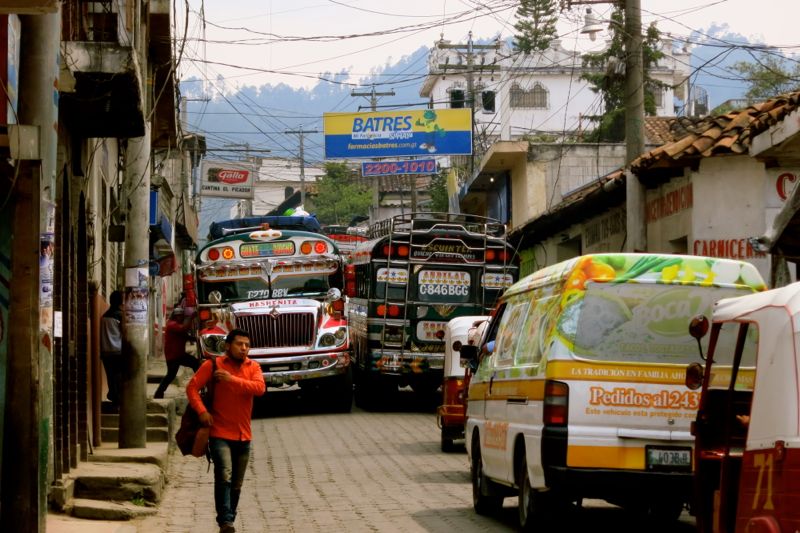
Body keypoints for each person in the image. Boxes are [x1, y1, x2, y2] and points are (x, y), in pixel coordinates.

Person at [186, 329, 266, 533]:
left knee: (237, 483)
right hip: (219, 432)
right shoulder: (213, 365)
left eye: (247, 345)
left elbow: (259, 389)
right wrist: (202, 411)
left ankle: (229, 517)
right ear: (227, 346)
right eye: (239, 344)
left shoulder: (253, 366)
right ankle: (226, 522)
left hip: (244, 434)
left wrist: (232, 380)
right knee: (224, 476)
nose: (244, 349)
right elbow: (192, 388)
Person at [153, 307, 200, 399]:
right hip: (174, 356)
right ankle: (158, 393)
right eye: (181, 316)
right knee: (171, 375)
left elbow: (185, 336)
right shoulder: (172, 325)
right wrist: (191, 317)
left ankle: (159, 393)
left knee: (195, 364)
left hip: (179, 355)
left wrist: (196, 339)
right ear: (176, 316)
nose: (182, 318)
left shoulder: (176, 324)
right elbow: (183, 330)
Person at [100, 290, 123, 405]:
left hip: (105, 352)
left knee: (110, 377)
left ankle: (113, 396)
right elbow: (125, 333)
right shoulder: (120, 315)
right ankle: (117, 399)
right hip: (118, 351)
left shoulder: (104, 316)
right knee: (119, 377)